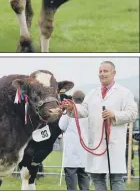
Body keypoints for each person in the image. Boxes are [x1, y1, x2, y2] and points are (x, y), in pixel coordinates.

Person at [62, 61, 138, 190]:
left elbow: (132, 114)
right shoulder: (92, 93)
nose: (102, 74)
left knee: (116, 178)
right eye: (100, 71)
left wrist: (115, 114)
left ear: (114, 73)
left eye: (105, 71)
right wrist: (72, 108)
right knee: (97, 178)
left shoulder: (124, 93)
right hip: (96, 143)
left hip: (114, 143)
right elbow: (84, 110)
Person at [59, 90, 91, 190]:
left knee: (71, 182)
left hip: (71, 151)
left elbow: (62, 126)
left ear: (72, 99)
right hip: (85, 150)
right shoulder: (88, 111)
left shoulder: (69, 109)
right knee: (84, 179)